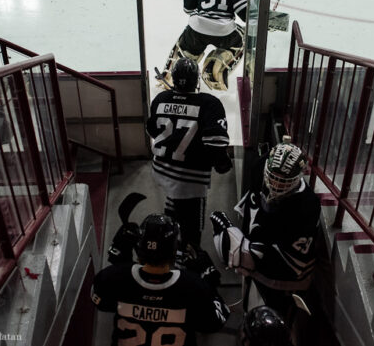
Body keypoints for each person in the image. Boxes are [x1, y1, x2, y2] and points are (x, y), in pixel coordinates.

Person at [210, 136, 320, 317]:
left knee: (273, 323)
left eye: (283, 182)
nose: (275, 186)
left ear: (299, 177)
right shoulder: (259, 167)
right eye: (273, 178)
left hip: (282, 283)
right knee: (250, 309)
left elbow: (293, 265)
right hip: (256, 271)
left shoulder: (307, 205)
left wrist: (241, 251)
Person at [92, 213, 230, 346]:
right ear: (174, 250)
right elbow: (215, 322)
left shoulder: (112, 278)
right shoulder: (193, 286)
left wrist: (120, 258)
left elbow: (103, 303)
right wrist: (209, 279)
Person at [147, 57, 232, 253]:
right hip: (191, 179)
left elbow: (152, 130)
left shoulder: (160, 99)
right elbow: (216, 141)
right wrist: (221, 162)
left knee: (174, 201)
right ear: (196, 81)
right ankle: (187, 257)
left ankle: (170, 234)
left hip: (161, 170)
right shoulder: (209, 103)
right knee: (193, 228)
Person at [159, 0, 248, 91]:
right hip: (224, 32)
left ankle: (171, 76)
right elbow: (245, 14)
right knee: (244, 38)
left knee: (185, 42)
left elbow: (188, 9)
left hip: (197, 29)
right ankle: (214, 69)